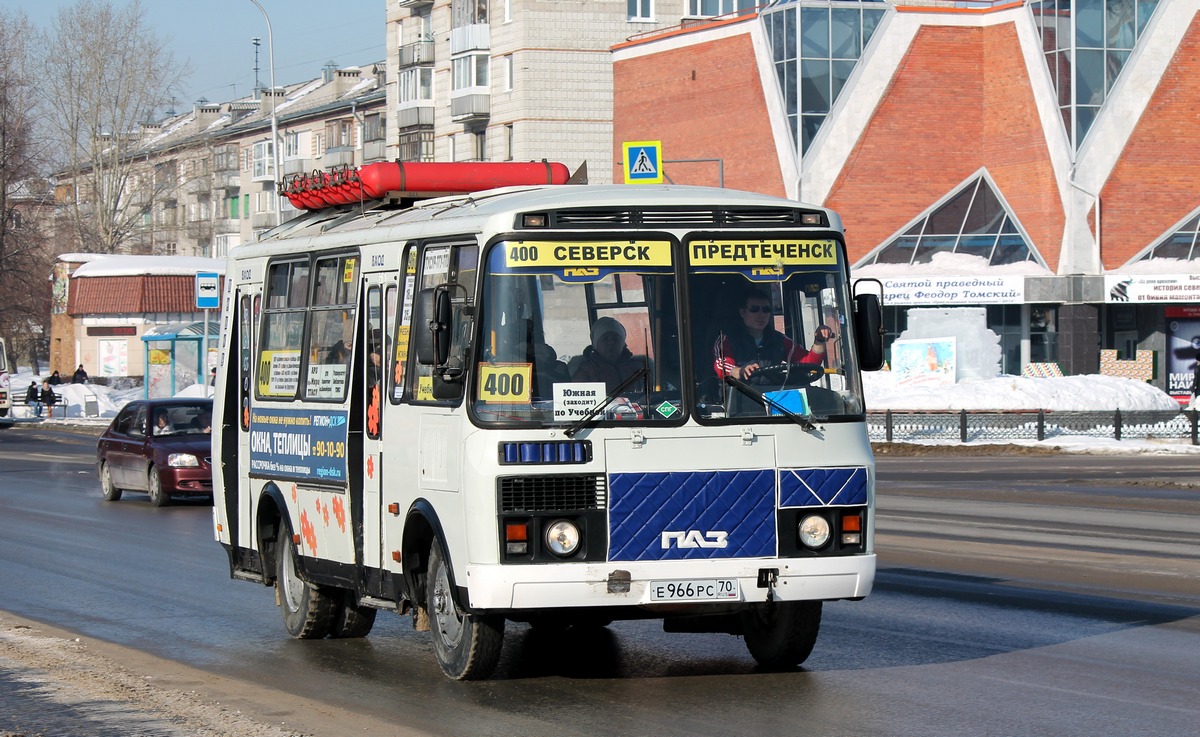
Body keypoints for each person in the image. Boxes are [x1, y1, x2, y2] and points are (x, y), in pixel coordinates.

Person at [712, 288, 834, 381]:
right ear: (742, 312)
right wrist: (739, 371)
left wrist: (819, 341)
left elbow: (808, 365)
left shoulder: (779, 340)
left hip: (774, 400)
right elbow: (721, 365)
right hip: (738, 402)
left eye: (766, 310)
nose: (761, 314)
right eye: (754, 309)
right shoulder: (726, 339)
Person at [571, 316, 643, 394]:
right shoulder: (585, 370)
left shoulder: (638, 367)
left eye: (616, 339)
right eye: (605, 339)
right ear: (595, 345)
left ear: (623, 343)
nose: (611, 343)